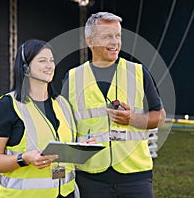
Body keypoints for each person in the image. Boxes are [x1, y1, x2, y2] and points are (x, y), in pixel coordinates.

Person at [61, 12, 166, 198]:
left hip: (136, 177)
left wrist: (133, 119)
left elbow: (160, 117)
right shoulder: (72, 78)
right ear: (90, 41)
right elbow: (62, 127)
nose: (115, 42)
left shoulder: (139, 73)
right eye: (107, 36)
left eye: (118, 36)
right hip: (90, 178)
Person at [0, 39, 80, 198]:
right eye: (42, 61)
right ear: (25, 68)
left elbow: (66, 146)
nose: (50, 66)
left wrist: (81, 148)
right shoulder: (6, 106)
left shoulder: (62, 104)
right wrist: (24, 158)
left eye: (52, 61)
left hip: (66, 193)